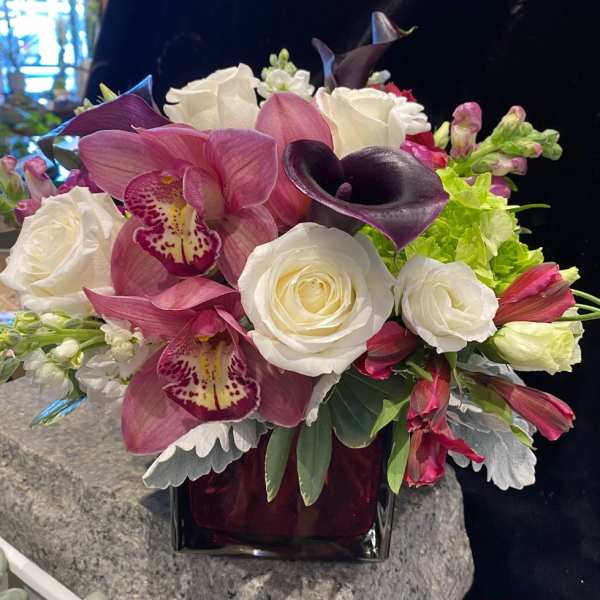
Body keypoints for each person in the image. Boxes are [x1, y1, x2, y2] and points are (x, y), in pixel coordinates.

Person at [87, 2, 600, 598]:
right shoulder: (225, 248)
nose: (182, 203)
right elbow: (180, 301)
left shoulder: (250, 237)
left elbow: (277, 380)